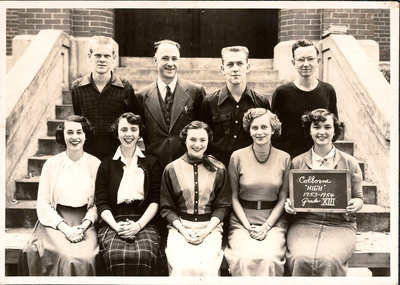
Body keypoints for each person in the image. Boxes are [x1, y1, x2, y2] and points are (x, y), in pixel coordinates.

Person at [285, 108, 363, 276]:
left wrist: (354, 204)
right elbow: (291, 197)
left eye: (327, 127)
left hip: (340, 225)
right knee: (300, 258)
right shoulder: (297, 162)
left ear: (335, 130)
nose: (322, 132)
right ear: (309, 130)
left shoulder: (350, 162)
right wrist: (290, 205)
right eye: (316, 127)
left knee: (329, 259)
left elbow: (359, 198)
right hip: (305, 224)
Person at [19, 115, 101, 276]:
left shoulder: (95, 164)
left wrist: (84, 226)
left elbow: (98, 204)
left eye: (79, 132)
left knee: (85, 257)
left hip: (85, 223)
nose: (75, 137)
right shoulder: (51, 165)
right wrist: (64, 228)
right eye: (70, 132)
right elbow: (43, 204)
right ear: (63, 135)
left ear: (86, 135)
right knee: (65, 256)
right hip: (54, 221)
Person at [95, 112, 165, 275]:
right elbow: (101, 201)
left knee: (144, 254)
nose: (128, 134)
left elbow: (155, 200)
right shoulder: (106, 163)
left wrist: (138, 225)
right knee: (115, 254)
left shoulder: (152, 161)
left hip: (144, 220)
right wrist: (116, 227)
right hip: (114, 220)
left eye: (133, 129)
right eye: (124, 129)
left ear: (140, 133)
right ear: (116, 132)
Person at [224, 108, 290, 276]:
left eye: (264, 127)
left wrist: (266, 227)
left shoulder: (284, 158)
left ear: (273, 129)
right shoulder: (237, 157)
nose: (259, 132)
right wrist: (248, 227)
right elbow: (233, 197)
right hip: (242, 221)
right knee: (245, 257)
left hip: (273, 221)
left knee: (269, 258)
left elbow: (283, 198)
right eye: (255, 128)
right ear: (249, 130)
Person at [160, 121, 231, 276]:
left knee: (205, 268)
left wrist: (206, 231)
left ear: (208, 141)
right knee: (183, 267)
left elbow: (223, 206)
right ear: (185, 140)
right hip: (180, 229)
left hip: (210, 228)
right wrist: (184, 231)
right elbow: (167, 207)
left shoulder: (219, 169)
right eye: (192, 139)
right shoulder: (171, 169)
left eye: (202, 140)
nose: (197, 144)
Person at [137, 39, 205, 172]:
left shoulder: (195, 92)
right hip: (155, 168)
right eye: (165, 58)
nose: (170, 63)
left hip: (188, 165)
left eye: (174, 59)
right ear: (155, 60)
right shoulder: (141, 96)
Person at [71, 36, 140, 160]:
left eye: (107, 56)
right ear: (89, 57)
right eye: (97, 55)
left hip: (117, 154)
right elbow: (80, 119)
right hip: (88, 153)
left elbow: (133, 122)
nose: (102, 60)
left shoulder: (125, 87)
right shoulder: (77, 87)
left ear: (114, 58)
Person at [201, 46, 271, 167]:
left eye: (239, 64)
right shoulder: (209, 102)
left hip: (251, 168)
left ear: (247, 67)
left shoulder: (261, 102)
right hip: (218, 169)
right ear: (223, 69)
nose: (235, 69)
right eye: (230, 64)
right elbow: (202, 138)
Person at [271, 39, 338, 158]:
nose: (306, 64)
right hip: (289, 158)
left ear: (318, 61)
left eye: (310, 59)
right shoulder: (282, 93)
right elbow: (274, 131)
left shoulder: (328, 91)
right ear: (293, 63)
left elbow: (334, 128)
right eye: (301, 59)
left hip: (318, 157)